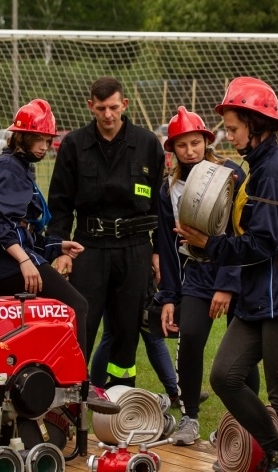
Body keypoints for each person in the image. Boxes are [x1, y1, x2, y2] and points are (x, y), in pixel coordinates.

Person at [179, 77, 278, 472]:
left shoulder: (276, 171)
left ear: (258, 127)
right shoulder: (258, 168)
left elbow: (261, 244)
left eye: (234, 128)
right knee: (224, 375)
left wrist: (208, 245)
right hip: (260, 292)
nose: (228, 136)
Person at [0, 99, 117, 413]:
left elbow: (25, 232)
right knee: (76, 305)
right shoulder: (11, 168)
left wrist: (57, 247)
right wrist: (24, 261)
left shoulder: (17, 166)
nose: (44, 147)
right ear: (21, 137)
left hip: (1, 261)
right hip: (1, 263)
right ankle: (77, 386)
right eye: (39, 140)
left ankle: (44, 382)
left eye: (48, 141)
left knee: (44, 318)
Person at [46, 77, 164, 389]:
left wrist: (158, 252)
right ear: (91, 107)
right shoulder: (74, 145)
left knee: (127, 331)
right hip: (89, 248)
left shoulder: (148, 144)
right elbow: (59, 204)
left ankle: (120, 402)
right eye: (101, 108)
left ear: (124, 105)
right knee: (80, 325)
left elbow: (161, 207)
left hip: (135, 248)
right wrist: (59, 249)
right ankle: (70, 400)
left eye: (113, 107)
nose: (108, 114)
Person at [155, 106, 245, 446]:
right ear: (173, 149)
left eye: (195, 142)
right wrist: (168, 297)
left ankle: (243, 420)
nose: (190, 150)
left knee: (241, 351)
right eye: (182, 145)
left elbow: (240, 232)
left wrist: (227, 283)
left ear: (206, 141)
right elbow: (166, 245)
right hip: (196, 271)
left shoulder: (231, 174)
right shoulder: (169, 188)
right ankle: (189, 417)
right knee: (190, 337)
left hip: (234, 272)